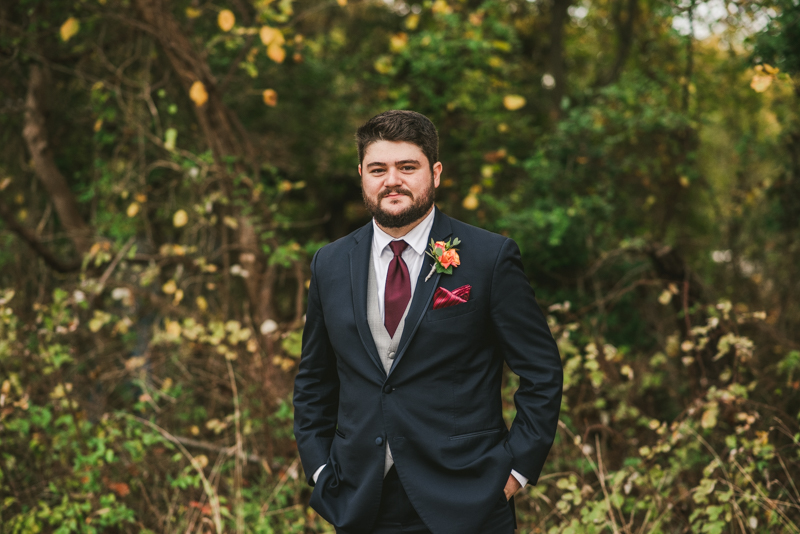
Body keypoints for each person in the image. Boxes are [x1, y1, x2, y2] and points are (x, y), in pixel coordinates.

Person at [293, 110, 562, 534]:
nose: (392, 180)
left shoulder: (489, 257)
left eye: (407, 167)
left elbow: (541, 372)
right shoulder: (330, 262)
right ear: (361, 174)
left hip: (468, 499)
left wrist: (515, 473)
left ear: (435, 173)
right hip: (360, 499)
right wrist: (320, 469)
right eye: (378, 169)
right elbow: (314, 379)